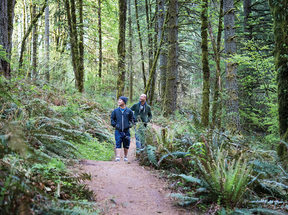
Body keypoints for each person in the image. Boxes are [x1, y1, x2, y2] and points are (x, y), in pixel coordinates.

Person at [111, 96, 134, 162]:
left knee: (126, 144)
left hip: (126, 131)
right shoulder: (115, 111)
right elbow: (112, 119)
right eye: (119, 100)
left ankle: (125, 157)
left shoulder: (129, 111)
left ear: (124, 102)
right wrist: (114, 125)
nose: (119, 101)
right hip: (118, 130)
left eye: (120, 100)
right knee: (118, 142)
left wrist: (130, 125)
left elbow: (132, 119)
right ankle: (118, 157)